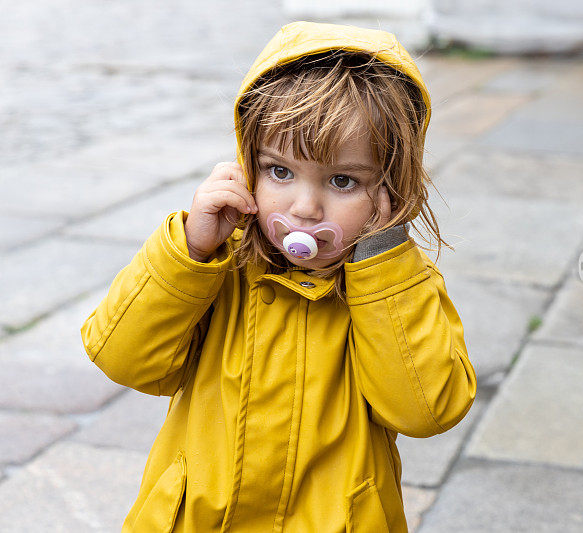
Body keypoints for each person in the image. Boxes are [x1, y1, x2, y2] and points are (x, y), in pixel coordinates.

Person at [81, 20, 476, 532]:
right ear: (248, 166)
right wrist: (190, 255)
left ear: (389, 189)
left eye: (342, 181)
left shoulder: (397, 285)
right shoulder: (218, 267)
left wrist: (381, 267)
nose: (305, 207)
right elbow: (123, 358)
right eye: (280, 172)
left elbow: (426, 410)